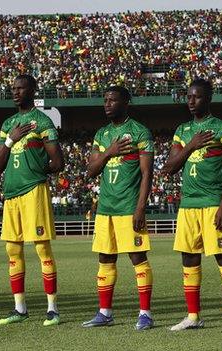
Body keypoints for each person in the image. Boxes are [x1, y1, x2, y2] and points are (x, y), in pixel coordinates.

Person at [163, 79, 222, 332]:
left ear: (208, 99)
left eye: (196, 97)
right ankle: (193, 316)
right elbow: (170, 168)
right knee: (189, 259)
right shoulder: (182, 131)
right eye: (188, 96)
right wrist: (191, 145)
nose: (191, 101)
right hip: (188, 205)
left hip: (212, 203)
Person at [0, 75, 64, 326]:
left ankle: (52, 309)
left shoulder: (43, 121)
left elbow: (58, 162)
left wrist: (38, 171)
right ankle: (19, 308)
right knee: (12, 250)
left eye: (21, 88)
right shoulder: (8, 124)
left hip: (34, 190)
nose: (15, 92)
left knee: (42, 248)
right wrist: (10, 140)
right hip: (11, 193)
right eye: (13, 88)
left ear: (33, 90)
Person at [82, 86, 154, 330]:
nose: (107, 104)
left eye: (113, 100)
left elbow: (147, 174)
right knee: (105, 258)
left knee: (137, 257)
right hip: (106, 208)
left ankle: (145, 313)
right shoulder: (102, 134)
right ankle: (105, 312)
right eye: (105, 100)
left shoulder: (140, 132)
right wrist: (109, 152)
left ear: (126, 102)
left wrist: (140, 208)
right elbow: (91, 171)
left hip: (128, 206)